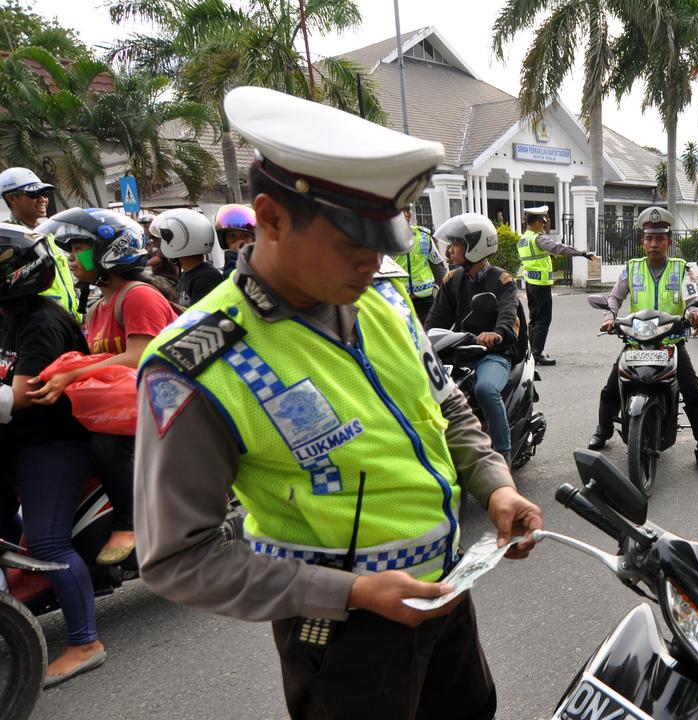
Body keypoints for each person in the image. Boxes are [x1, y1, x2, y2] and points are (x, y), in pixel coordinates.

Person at [133, 86, 541, 718]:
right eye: (353, 245)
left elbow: (447, 405)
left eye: (380, 243)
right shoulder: (197, 364)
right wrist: (350, 592)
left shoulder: (381, 302)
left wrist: (495, 485)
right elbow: (178, 558)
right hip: (343, 634)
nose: (372, 262)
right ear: (269, 218)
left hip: (448, 588)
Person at [32, 207, 178, 567]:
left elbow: (139, 356)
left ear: (108, 251)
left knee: (106, 442)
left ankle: (132, 522)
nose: (70, 257)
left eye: (79, 247)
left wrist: (72, 375)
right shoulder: (98, 307)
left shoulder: (136, 295)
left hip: (167, 399)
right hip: (132, 403)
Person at [0, 223, 105, 687]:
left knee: (46, 542)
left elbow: (21, 395)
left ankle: (85, 641)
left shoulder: (41, 321)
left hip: (53, 442)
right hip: (16, 441)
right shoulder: (7, 314)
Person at [587, 206, 698, 474]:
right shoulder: (631, 269)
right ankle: (604, 429)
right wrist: (610, 316)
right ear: (643, 242)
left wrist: (693, 314)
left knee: (692, 389)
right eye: (649, 238)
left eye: (659, 239)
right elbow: (615, 297)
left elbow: (692, 299)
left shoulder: (681, 269)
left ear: (669, 241)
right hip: (636, 342)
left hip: (671, 342)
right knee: (612, 387)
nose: (654, 244)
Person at [426, 213, 523, 466]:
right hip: (460, 349)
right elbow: (435, 320)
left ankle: (503, 454)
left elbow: (507, 316)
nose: (450, 249)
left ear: (475, 246)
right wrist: (421, 340)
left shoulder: (502, 281)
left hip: (492, 353)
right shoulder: (452, 280)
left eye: (456, 244)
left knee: (485, 389)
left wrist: (496, 334)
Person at [0, 166, 81, 321]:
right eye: (34, 194)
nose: (43, 199)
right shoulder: (8, 241)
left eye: (44, 193)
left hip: (69, 323)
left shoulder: (49, 234)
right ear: (11, 198)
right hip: (38, 325)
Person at [517, 205, 594, 366]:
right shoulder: (538, 239)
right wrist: (580, 253)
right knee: (544, 319)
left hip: (530, 282)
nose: (544, 224)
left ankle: (531, 352)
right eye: (543, 221)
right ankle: (537, 354)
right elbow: (559, 248)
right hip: (541, 284)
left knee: (534, 318)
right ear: (537, 222)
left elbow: (536, 258)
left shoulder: (523, 239)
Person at [151, 208, 224, 307]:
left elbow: (200, 316)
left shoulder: (205, 278)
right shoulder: (188, 274)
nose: (163, 243)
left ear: (180, 240)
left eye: (166, 237)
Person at [394, 203, 445, 325]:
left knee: (429, 336)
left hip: (425, 300)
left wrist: (445, 293)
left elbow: (438, 266)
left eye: (408, 210)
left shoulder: (424, 236)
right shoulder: (385, 238)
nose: (406, 214)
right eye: (401, 211)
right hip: (399, 300)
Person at [215, 203, 256, 279]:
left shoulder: (263, 267)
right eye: (232, 235)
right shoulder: (220, 271)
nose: (238, 241)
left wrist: (234, 256)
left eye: (245, 236)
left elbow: (237, 281)